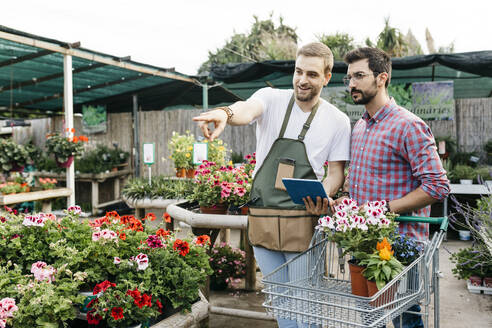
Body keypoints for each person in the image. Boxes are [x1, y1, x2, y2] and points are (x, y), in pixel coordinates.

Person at [193, 42, 351, 328]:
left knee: (306, 305)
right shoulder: (271, 98)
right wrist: (224, 114)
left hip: (304, 221)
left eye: (312, 74)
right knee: (281, 303)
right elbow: (247, 109)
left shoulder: (337, 121)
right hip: (264, 217)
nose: (302, 79)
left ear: (327, 77)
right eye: (298, 71)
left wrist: (324, 194)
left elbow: (336, 173)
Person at [305, 47, 450, 328]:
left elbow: (437, 186)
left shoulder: (409, 126)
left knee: (405, 320)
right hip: (363, 244)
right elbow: (356, 183)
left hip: (399, 248)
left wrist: (383, 209)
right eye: (349, 78)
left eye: (359, 76)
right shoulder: (359, 127)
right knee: (370, 318)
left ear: (382, 78)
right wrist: (343, 202)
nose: (352, 84)